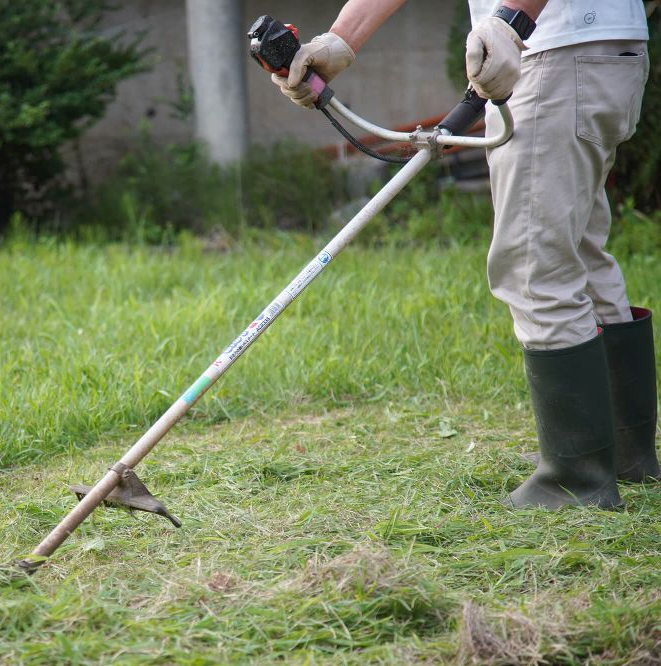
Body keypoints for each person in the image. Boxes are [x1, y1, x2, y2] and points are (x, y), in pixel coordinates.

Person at [272, 1, 655, 508]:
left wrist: (512, 18)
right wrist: (342, 39)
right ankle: (624, 458)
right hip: (588, 49)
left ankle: (576, 481)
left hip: (558, 49)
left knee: (534, 263)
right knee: (577, 253)